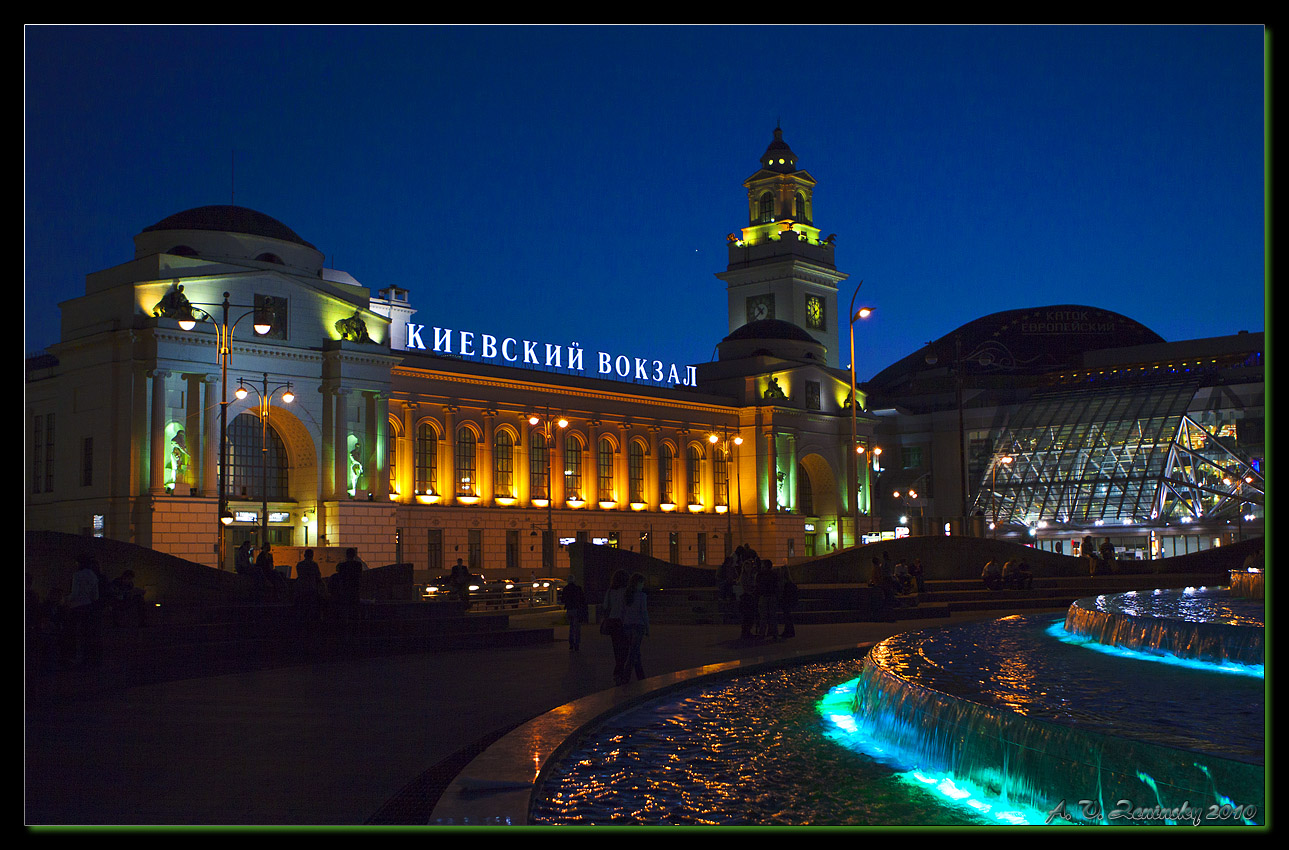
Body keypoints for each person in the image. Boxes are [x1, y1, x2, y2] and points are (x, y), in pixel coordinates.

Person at [65, 554, 103, 668]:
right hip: (88, 607)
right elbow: (95, 596)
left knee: (75, 634)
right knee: (87, 634)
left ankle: (75, 658)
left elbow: (75, 593)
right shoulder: (93, 576)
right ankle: (88, 660)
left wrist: (66, 599)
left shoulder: (77, 575)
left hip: (77, 607)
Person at [619, 573, 650, 684]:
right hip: (638, 626)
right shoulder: (642, 596)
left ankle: (641, 677)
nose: (643, 585)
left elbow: (622, 611)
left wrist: (623, 623)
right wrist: (647, 627)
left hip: (627, 626)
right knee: (634, 652)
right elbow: (644, 612)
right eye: (642, 583)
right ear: (638, 583)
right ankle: (626, 677)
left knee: (635, 651)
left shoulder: (626, 595)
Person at [601, 569, 630, 684]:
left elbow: (606, 606)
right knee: (625, 648)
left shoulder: (610, 591)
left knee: (616, 648)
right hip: (622, 622)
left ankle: (618, 673)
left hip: (612, 622)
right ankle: (619, 672)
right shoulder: (627, 592)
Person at [293, 548, 325, 622]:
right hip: (312, 588)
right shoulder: (314, 565)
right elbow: (318, 577)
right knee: (311, 607)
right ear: (312, 556)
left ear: (304, 555)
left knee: (302, 607)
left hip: (302, 588)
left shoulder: (299, 565)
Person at [755, 559, 780, 639]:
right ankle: (774, 633)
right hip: (771, 596)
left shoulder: (760, 574)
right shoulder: (774, 574)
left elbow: (758, 585)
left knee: (763, 616)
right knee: (772, 616)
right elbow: (777, 586)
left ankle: (762, 633)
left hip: (764, 596)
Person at [562, 577, 588, 651]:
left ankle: (571, 643)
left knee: (571, 626)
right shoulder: (578, 588)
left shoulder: (566, 589)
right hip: (577, 609)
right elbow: (582, 599)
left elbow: (563, 599)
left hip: (569, 610)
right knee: (577, 628)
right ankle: (577, 643)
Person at [779, 567, 798, 639]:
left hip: (785, 600)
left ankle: (788, 631)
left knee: (787, 616)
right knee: (788, 616)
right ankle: (789, 631)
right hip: (788, 601)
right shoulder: (790, 581)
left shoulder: (784, 581)